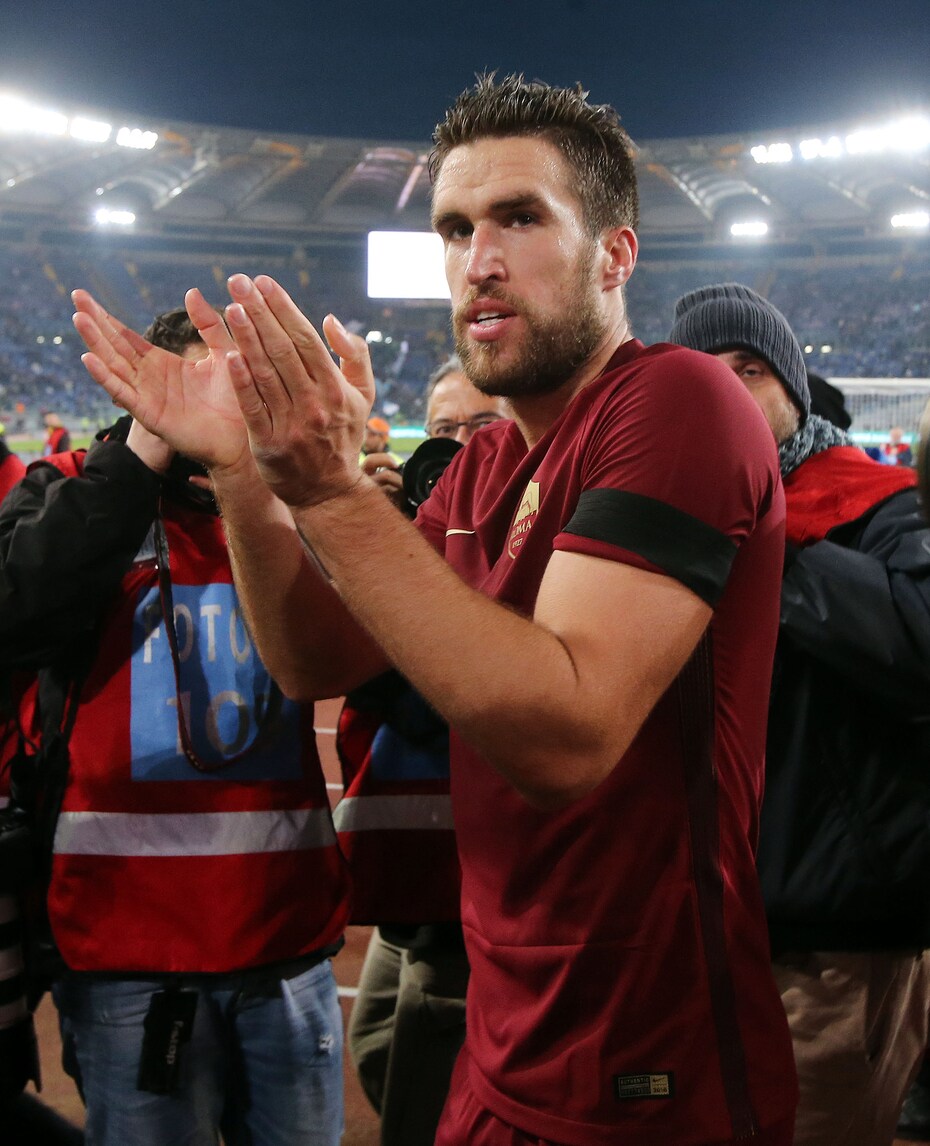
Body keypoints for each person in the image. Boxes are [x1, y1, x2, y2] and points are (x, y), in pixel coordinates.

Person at [71, 75, 797, 1146]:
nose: (478, 261)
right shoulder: (484, 463)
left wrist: (329, 490)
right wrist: (243, 478)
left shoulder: (680, 400)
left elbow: (564, 738)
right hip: (500, 1041)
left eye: (520, 218)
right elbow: (312, 659)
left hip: (648, 1061)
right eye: (456, 230)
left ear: (615, 255)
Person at [0, 307, 350, 1146]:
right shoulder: (73, 485)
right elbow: (16, 613)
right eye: (200, 380)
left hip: (284, 930)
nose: (224, 405)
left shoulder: (297, 509)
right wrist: (141, 454)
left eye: (245, 384)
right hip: (122, 946)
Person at [669, 281, 930, 1146]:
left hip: (829, 942)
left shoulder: (885, 503)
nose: (725, 389)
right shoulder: (656, 520)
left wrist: (763, 536)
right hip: (689, 928)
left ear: (793, 389)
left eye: (748, 369)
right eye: (701, 374)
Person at [342, 356, 508, 1146]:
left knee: (425, 1084)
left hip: (486, 880)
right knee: (376, 1040)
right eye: (445, 429)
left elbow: (438, 695)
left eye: (483, 426)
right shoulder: (417, 531)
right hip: (421, 871)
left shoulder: (538, 537)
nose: (461, 445)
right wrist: (365, 533)